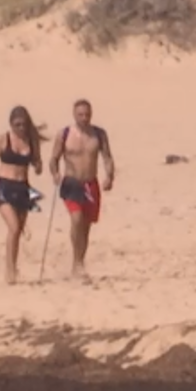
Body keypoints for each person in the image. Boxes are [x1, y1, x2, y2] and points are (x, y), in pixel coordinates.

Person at [0, 105, 48, 284]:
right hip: (4, 188)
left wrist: (38, 165)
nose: (21, 128)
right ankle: (10, 272)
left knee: (18, 231)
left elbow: (38, 167)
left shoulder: (31, 140)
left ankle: (13, 266)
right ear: (11, 124)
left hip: (23, 188)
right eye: (17, 125)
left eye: (23, 124)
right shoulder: (3, 140)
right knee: (13, 227)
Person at [48, 98, 115, 281]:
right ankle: (77, 262)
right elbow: (54, 158)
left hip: (90, 184)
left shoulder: (99, 134)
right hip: (71, 183)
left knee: (85, 226)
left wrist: (109, 176)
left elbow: (107, 157)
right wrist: (55, 173)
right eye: (80, 115)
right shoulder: (65, 134)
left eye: (87, 114)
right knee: (76, 219)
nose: (84, 118)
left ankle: (79, 263)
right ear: (74, 115)